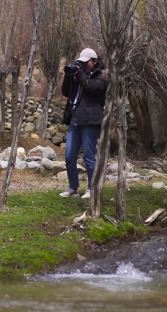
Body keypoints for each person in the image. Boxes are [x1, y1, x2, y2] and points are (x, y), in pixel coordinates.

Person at [59, 48, 107, 199]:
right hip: (75, 118)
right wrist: (69, 76)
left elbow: (91, 88)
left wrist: (80, 74)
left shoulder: (101, 75)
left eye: (86, 63)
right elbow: (66, 92)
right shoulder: (80, 74)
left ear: (94, 61)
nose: (83, 65)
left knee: (88, 156)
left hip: (91, 120)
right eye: (81, 63)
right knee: (69, 155)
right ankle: (73, 187)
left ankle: (92, 189)